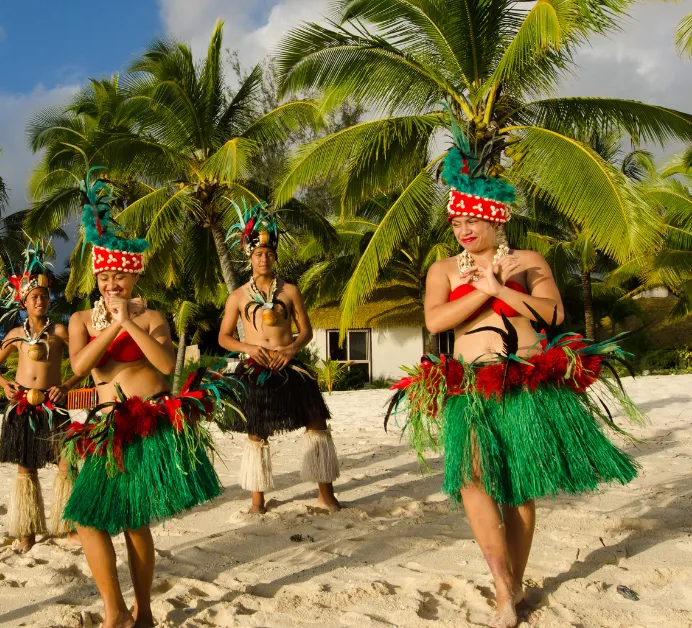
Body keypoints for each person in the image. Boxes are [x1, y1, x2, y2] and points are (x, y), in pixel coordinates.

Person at [386, 143, 642, 628]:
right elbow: (437, 319)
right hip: (471, 387)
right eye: (457, 223)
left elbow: (553, 314)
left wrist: (502, 287)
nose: (463, 231)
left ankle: (517, 581)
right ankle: (503, 585)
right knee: (472, 481)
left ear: (496, 219)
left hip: (525, 382)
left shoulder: (528, 261)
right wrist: (478, 291)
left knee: (518, 488)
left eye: (472, 222)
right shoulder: (442, 269)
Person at [60, 168, 240, 628]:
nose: (111, 284)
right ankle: (113, 608)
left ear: (133, 276)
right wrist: (112, 327)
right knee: (87, 518)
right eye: (104, 277)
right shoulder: (81, 319)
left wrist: (130, 323)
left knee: (134, 521)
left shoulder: (154, 316)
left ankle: (143, 610)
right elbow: (80, 367)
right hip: (102, 427)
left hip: (145, 422)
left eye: (119, 276)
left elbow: (164, 365)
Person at [218, 199, 340, 514]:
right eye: (259, 254)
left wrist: (291, 348)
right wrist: (248, 348)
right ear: (250, 257)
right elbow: (224, 337)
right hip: (254, 366)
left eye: (269, 254)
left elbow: (307, 331)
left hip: (290, 364)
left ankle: (326, 495)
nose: (264, 258)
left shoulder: (291, 291)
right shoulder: (237, 296)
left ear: (275, 257)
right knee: (257, 429)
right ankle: (257, 503)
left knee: (316, 422)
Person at [0, 240, 83, 552]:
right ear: (24, 302)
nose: (40, 300)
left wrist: (66, 386)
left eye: (44, 296)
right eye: (34, 296)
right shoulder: (14, 335)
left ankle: (70, 526)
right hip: (21, 405)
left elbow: (81, 365)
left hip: (55, 404)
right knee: (25, 467)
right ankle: (27, 531)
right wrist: (3, 383)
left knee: (66, 462)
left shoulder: (60, 332)